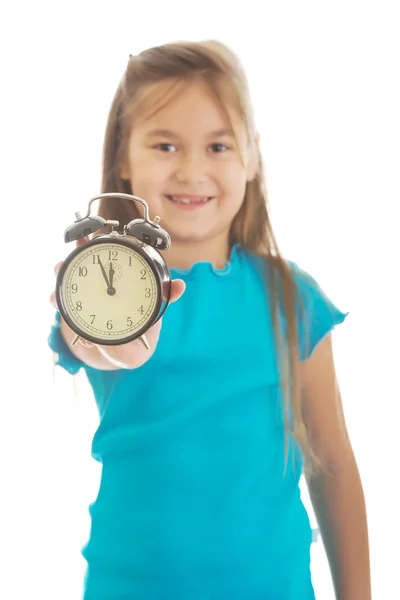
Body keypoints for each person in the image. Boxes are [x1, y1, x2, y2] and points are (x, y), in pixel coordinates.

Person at [49, 40, 371, 600]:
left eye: (217, 145)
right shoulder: (102, 287)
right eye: (166, 145)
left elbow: (334, 464)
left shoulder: (290, 297)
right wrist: (119, 341)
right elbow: (87, 341)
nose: (192, 170)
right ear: (125, 156)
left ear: (249, 156)